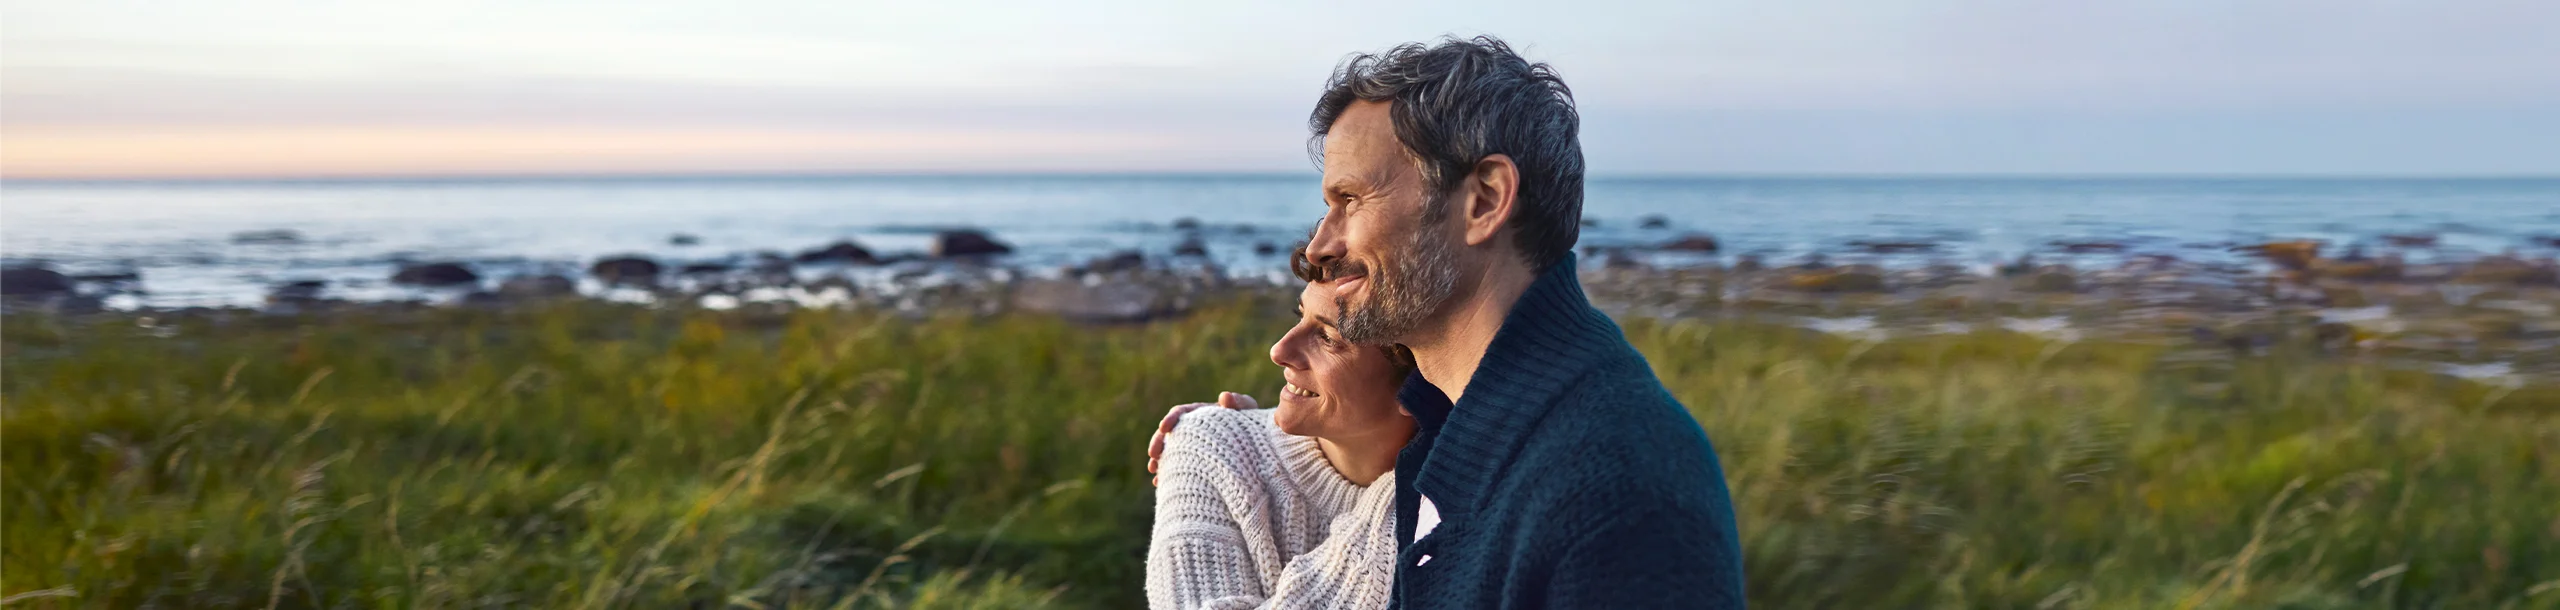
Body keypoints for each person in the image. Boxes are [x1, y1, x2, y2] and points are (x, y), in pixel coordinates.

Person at [1154, 36, 1747, 608]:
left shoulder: (1618, 485)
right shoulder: (1449, 438)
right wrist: (1247, 453)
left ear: (1485, 201)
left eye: (1351, 200)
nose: (1320, 245)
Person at [1142, 252, 1418, 610]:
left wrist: (1402, 493)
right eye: (1299, 316)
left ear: (1418, 386)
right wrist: (1401, 506)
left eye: (1328, 337)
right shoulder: (1214, 449)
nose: (1280, 350)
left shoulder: (1466, 491)